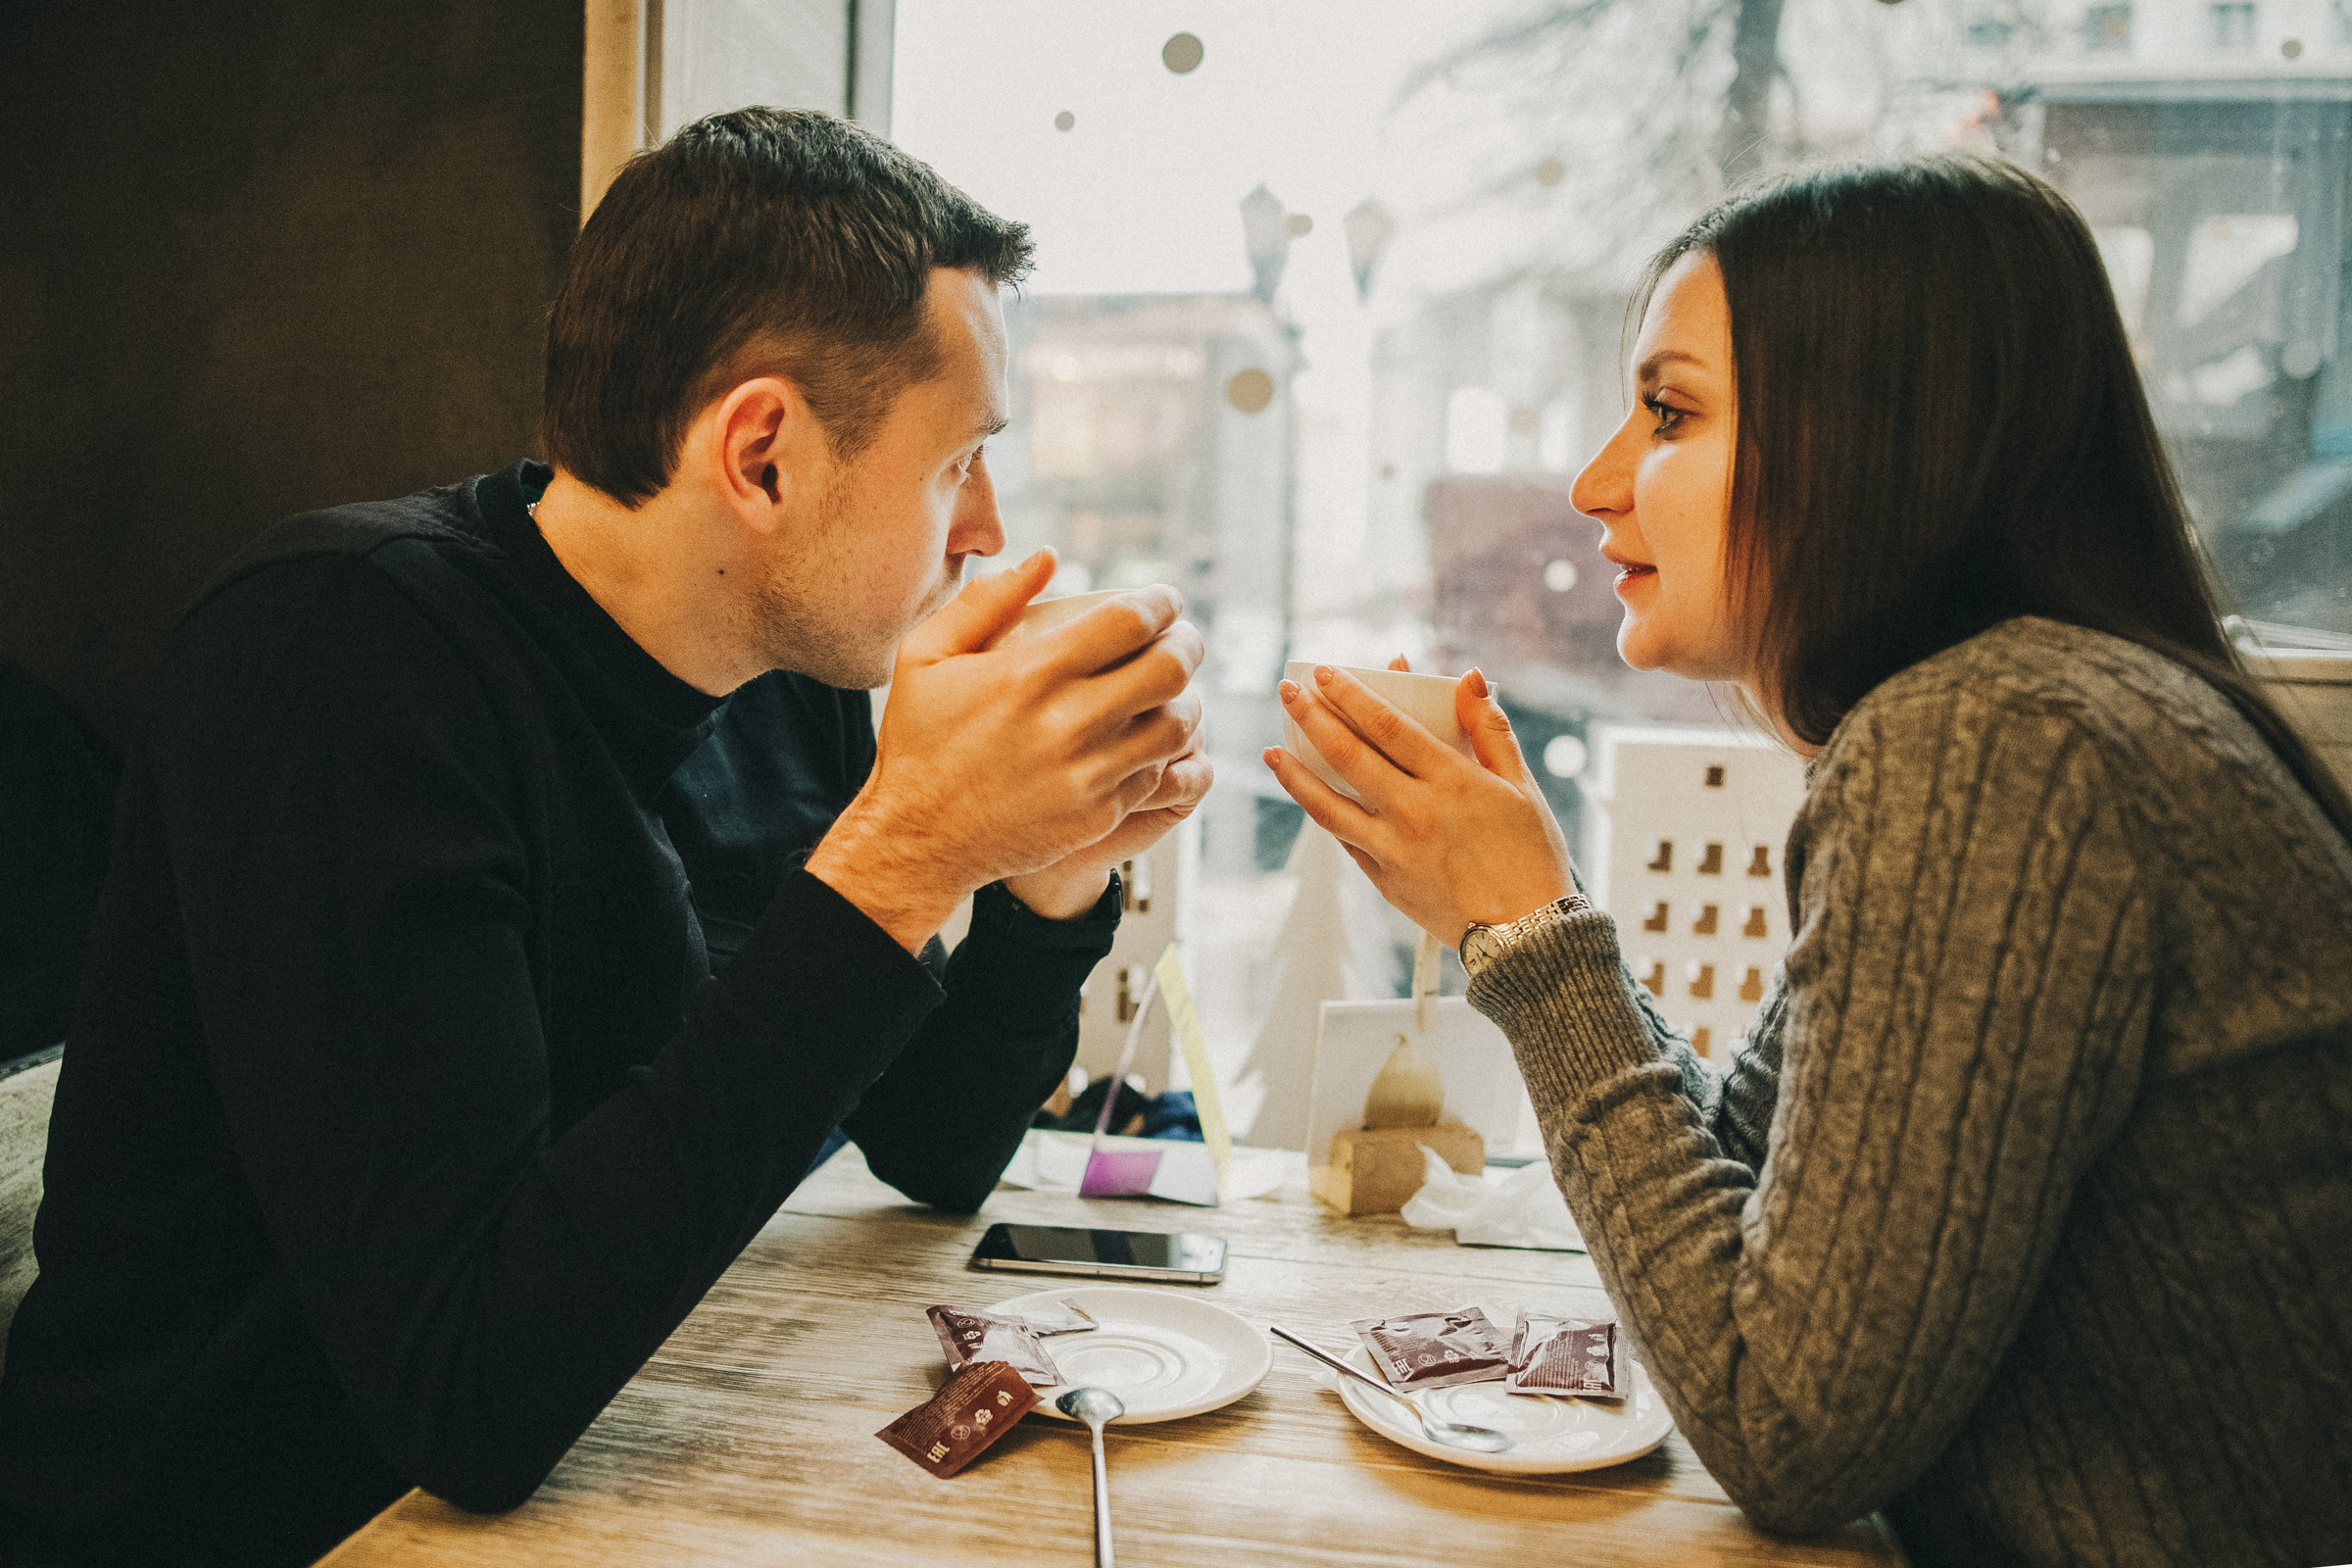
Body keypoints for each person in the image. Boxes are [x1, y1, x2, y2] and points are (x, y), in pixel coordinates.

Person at [0, 108, 1209, 1567]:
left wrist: (1045, 888)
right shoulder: (342, 655)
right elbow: (467, 1394)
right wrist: (898, 859)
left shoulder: (787, 689)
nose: (982, 529)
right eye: (959, 462)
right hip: (256, 1520)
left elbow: (936, 1149)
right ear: (761, 454)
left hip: (604, 1462)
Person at [1267, 156, 2352, 1568]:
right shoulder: (2037, 713)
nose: (1598, 483)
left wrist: (1530, 934)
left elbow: (1783, 1424)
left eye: (1670, 412)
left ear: (1877, 436)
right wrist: (1528, 908)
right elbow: (1751, 1212)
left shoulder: (1996, 744)